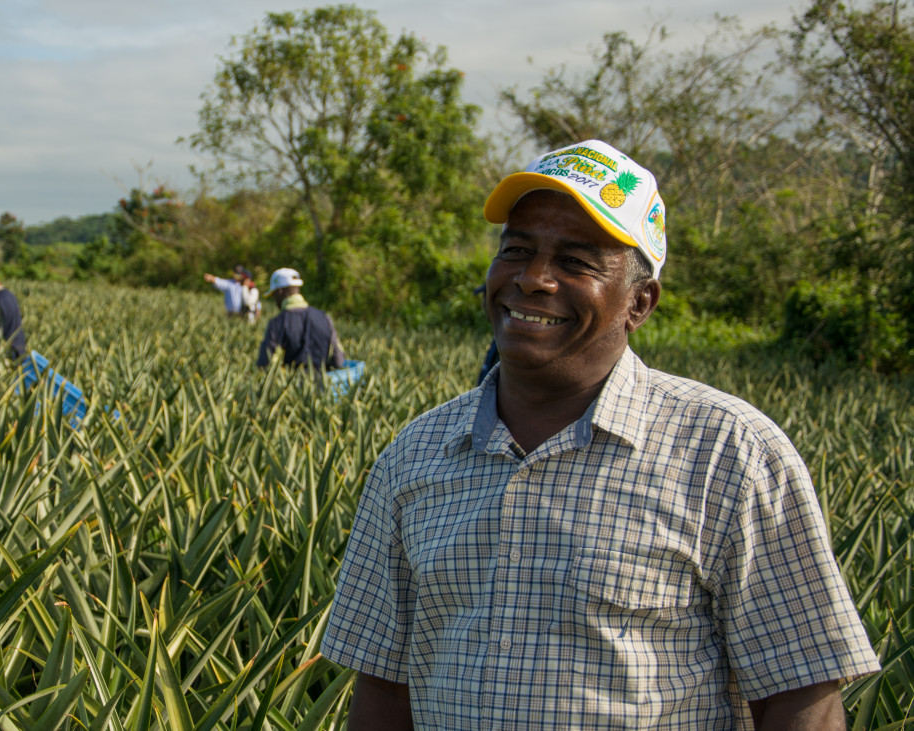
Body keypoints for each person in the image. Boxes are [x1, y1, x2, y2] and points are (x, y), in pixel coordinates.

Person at [321, 139, 879, 730]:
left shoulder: (731, 453)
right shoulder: (413, 456)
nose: (533, 278)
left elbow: (800, 695)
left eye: (576, 262)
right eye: (517, 250)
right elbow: (384, 686)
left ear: (640, 303)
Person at [256, 267, 345, 371]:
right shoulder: (324, 317)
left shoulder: (277, 323)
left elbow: (265, 363)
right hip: (322, 379)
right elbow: (338, 360)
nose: (274, 300)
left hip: (291, 381)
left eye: (273, 295)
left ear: (280, 292)